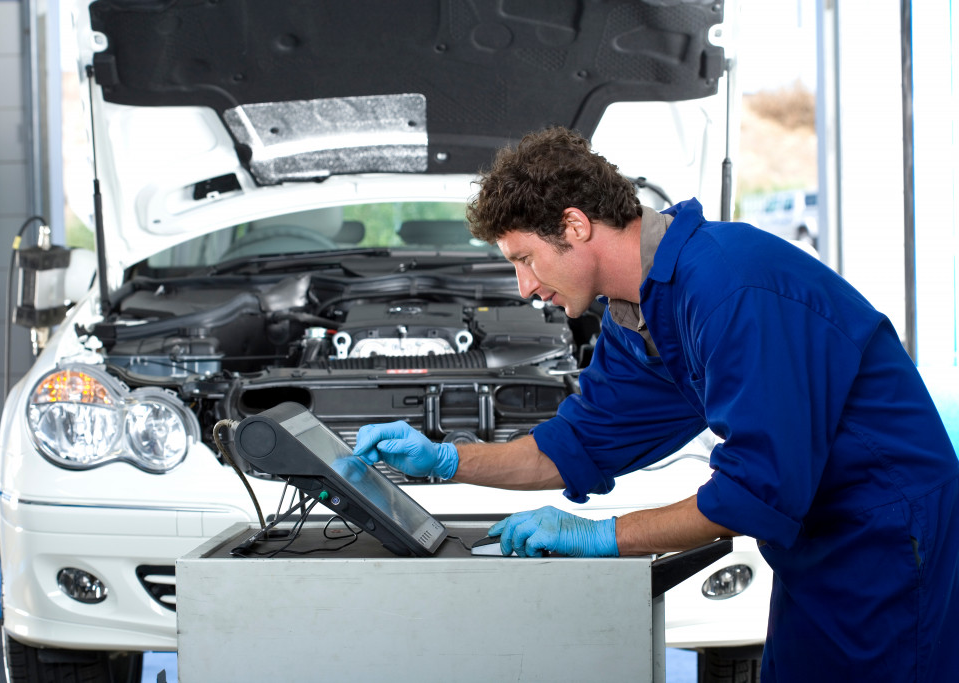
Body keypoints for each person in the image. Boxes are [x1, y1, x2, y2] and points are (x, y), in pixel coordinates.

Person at [353, 126, 959, 681]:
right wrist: (447, 461)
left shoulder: (730, 288)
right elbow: (576, 447)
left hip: (892, 544)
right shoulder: (639, 313)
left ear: (574, 226)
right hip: (816, 551)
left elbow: (755, 493)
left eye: (524, 260)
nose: (526, 289)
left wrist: (599, 536)